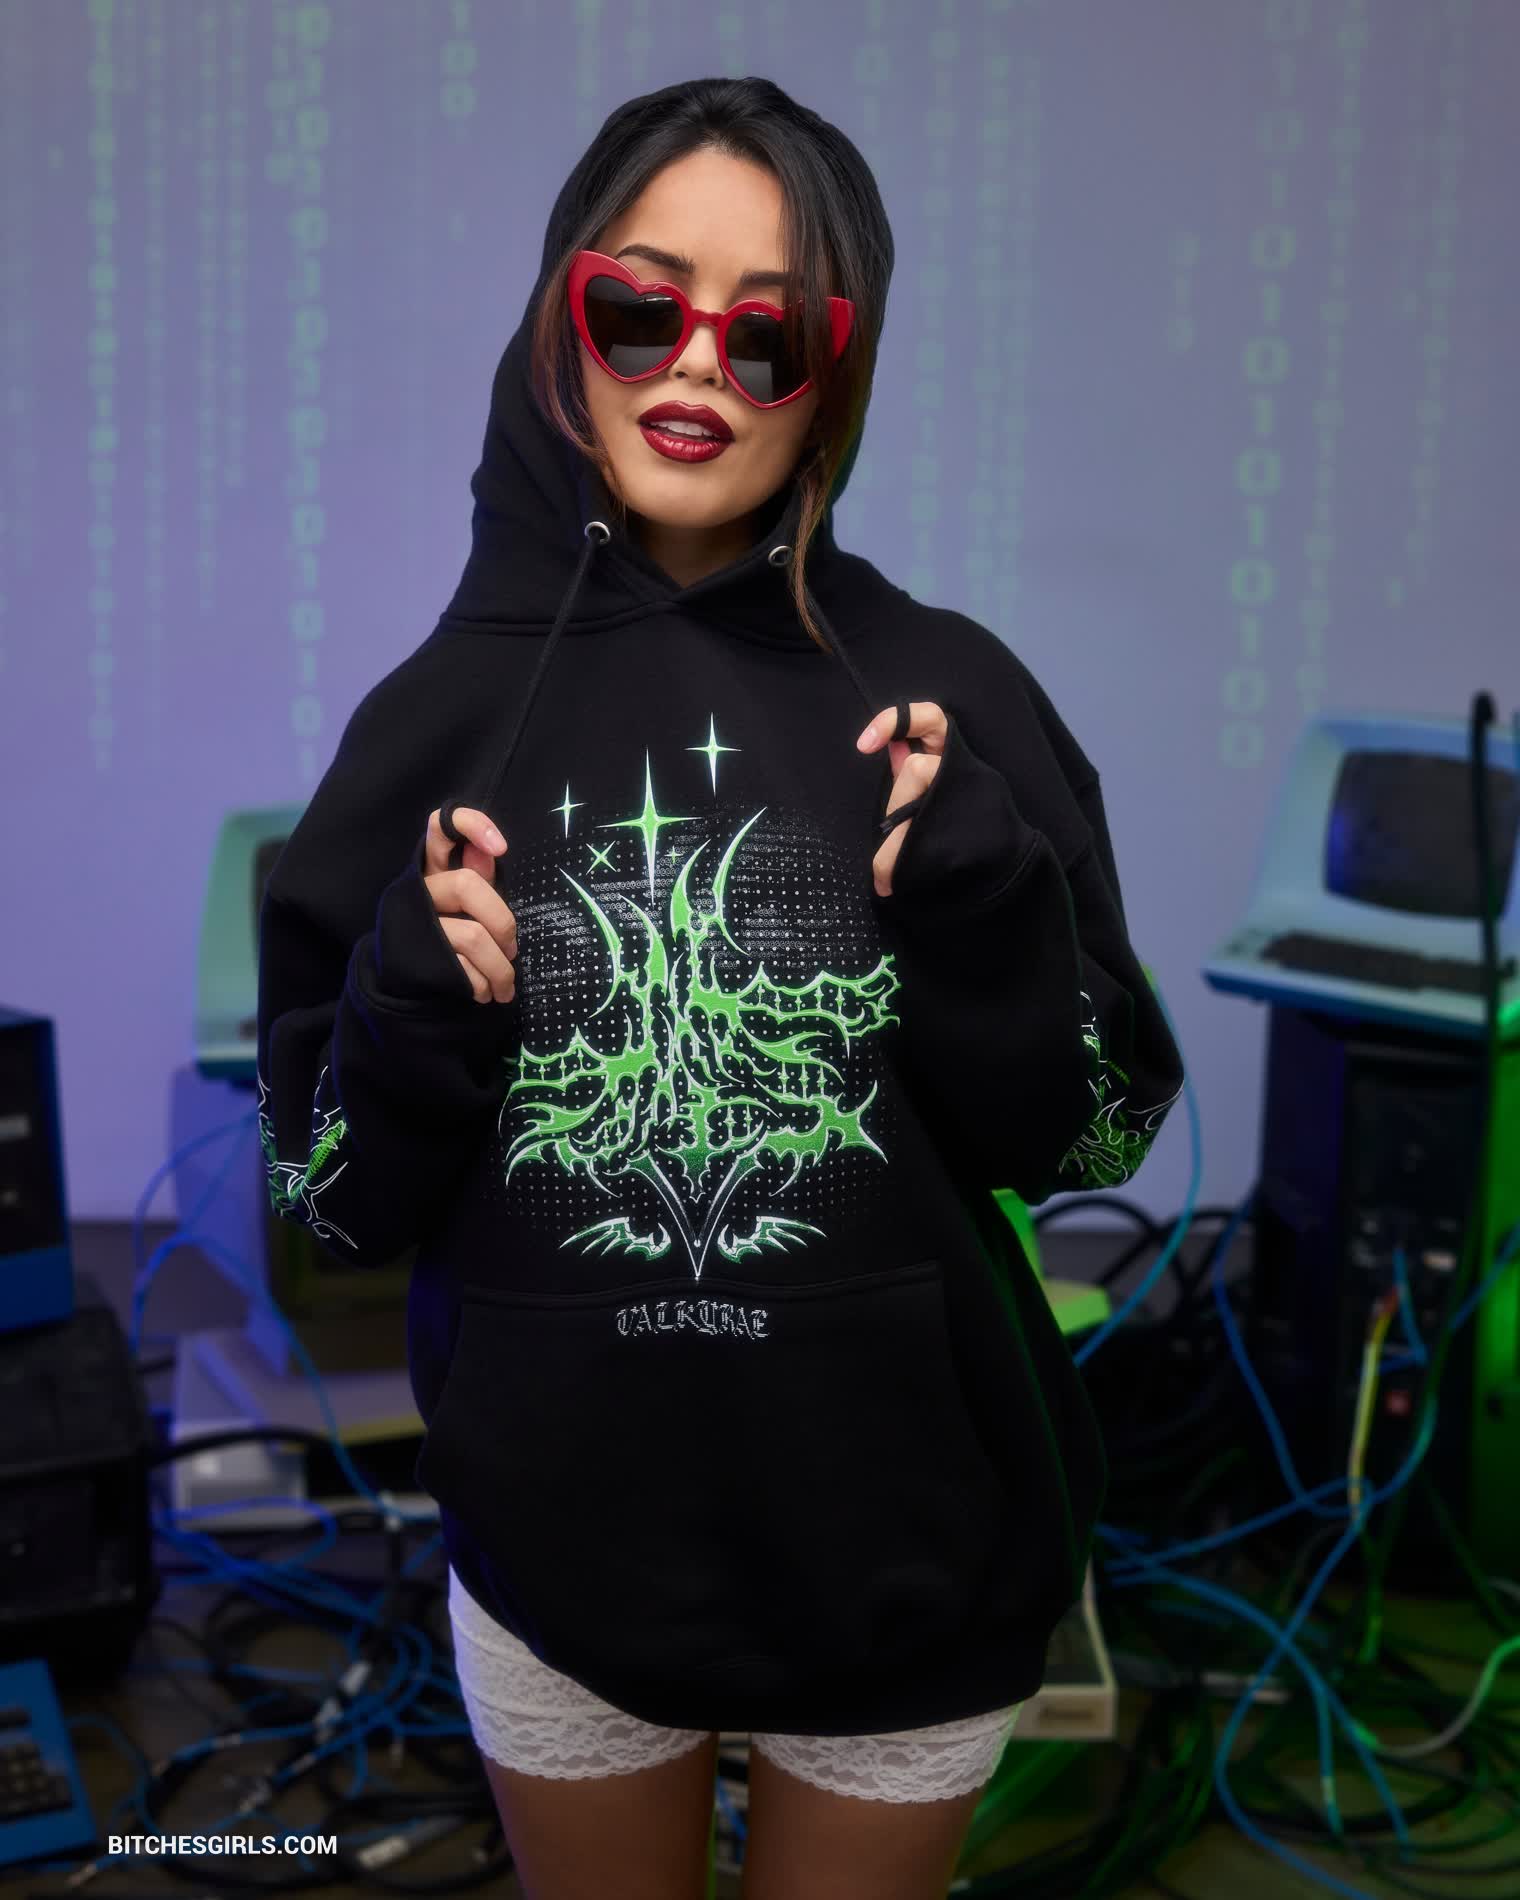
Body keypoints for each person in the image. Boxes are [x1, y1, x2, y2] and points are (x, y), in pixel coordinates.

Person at [255, 74, 1185, 1900]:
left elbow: (1092, 1137)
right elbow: (329, 1197)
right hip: (563, 1574)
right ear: (561, 315)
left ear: (835, 375)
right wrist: (409, 1006)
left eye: (771, 333)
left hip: (918, 1558)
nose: (696, 364)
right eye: (639, 304)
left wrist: (989, 909)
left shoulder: (950, 693)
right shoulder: (430, 720)